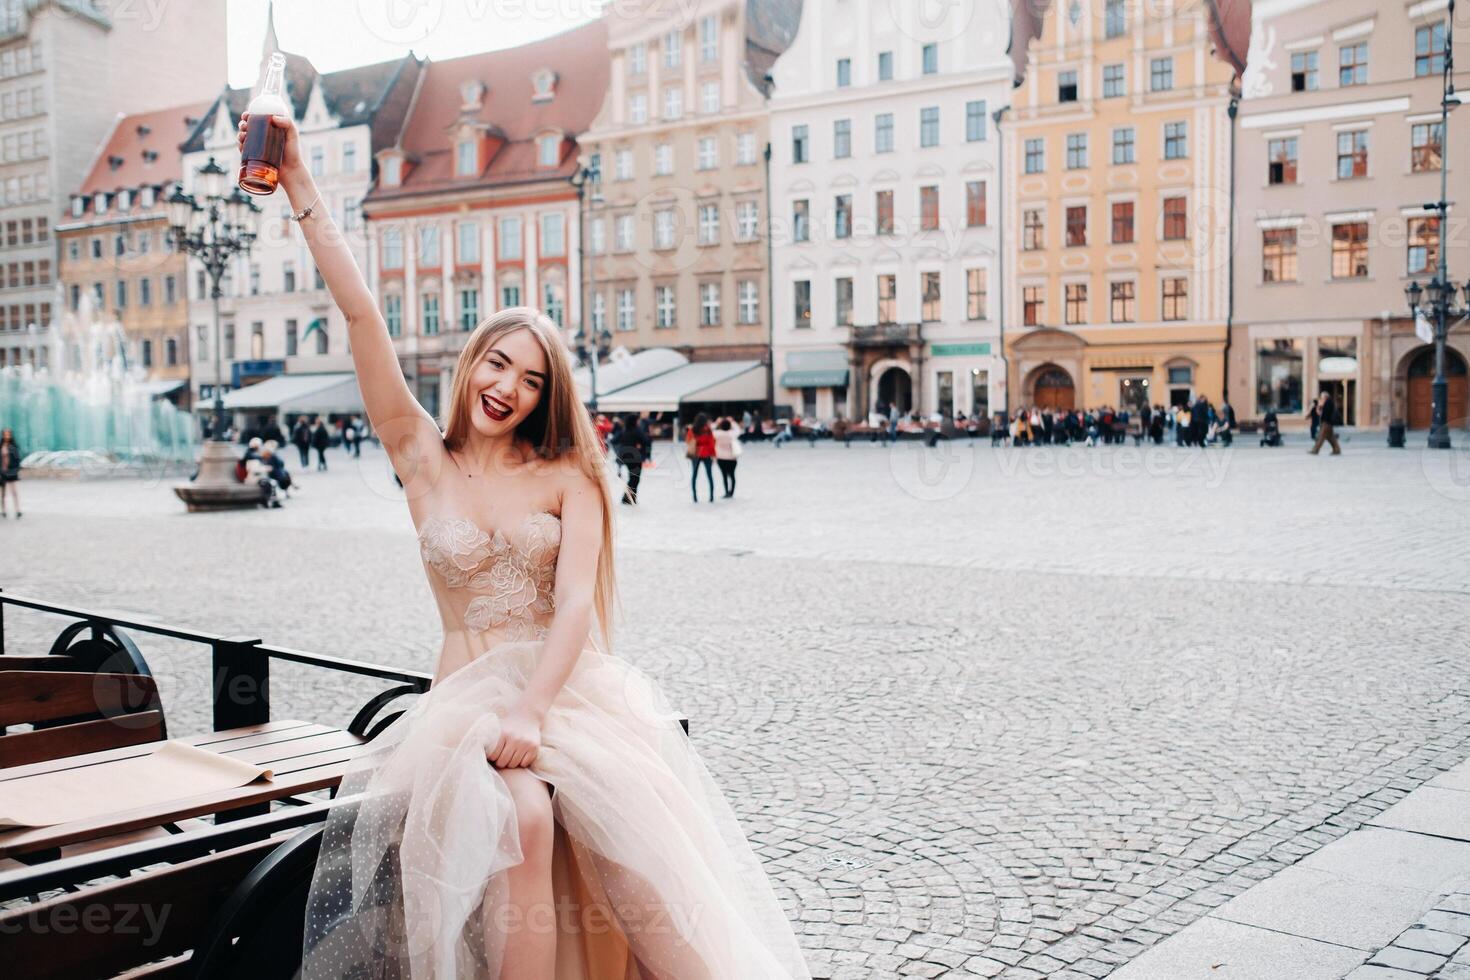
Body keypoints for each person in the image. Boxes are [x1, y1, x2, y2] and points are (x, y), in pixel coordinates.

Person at [242, 111, 811, 978]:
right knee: (524, 820)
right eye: (498, 364)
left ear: (547, 397)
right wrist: (303, 189)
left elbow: (577, 603)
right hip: (463, 697)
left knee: (627, 860)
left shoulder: (567, 475)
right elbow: (362, 317)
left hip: (556, 695)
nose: (508, 386)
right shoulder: (423, 459)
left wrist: (531, 710)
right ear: (472, 363)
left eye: (531, 378)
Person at [616, 413, 650, 504]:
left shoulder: (624, 430)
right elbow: (646, 441)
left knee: (632, 478)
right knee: (635, 478)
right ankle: (628, 498)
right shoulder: (637, 430)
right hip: (635, 457)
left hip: (625, 457)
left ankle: (629, 498)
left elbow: (614, 440)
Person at [686, 412, 716, 502]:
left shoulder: (692, 430)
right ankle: (711, 496)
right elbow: (712, 443)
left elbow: (688, 441)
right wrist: (713, 455)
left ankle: (695, 497)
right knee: (709, 475)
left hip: (695, 453)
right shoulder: (708, 430)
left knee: (694, 475)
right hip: (706, 453)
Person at [713, 415, 742, 498]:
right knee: (732, 475)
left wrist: (717, 422)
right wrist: (732, 422)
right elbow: (738, 430)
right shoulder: (732, 434)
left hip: (721, 458)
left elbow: (712, 429)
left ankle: (726, 492)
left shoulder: (717, 434)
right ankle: (731, 492)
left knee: (724, 475)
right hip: (732, 458)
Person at [1309, 390, 1342, 455]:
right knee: (1331, 438)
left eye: (1322, 397)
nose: (1321, 398)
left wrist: (1320, 406)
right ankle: (1337, 450)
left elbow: (1323, 413)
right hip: (1328, 423)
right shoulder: (1328, 402)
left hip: (1326, 423)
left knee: (1321, 437)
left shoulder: (1328, 403)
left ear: (1325, 397)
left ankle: (1315, 450)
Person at [0, 428, 22, 518]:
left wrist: (16, 469)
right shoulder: (1, 446)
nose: (7, 436)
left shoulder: (13, 446)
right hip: (2, 472)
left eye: (8, 434)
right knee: (3, 493)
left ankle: (17, 510)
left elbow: (17, 459)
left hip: (11, 471)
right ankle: (3, 510)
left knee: (14, 492)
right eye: (5, 434)